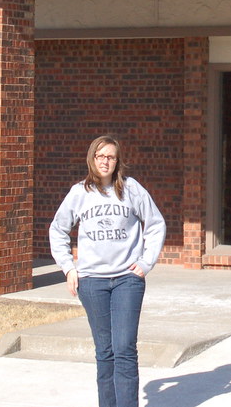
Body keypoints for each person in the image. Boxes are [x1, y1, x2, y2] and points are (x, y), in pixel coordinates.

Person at [49, 135, 167, 407]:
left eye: (110, 157)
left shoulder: (131, 189)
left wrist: (146, 262)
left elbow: (155, 224)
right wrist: (68, 268)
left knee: (124, 349)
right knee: (105, 352)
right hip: (92, 283)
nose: (105, 161)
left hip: (127, 280)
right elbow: (58, 229)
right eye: (100, 156)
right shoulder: (79, 193)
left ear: (117, 161)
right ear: (92, 158)